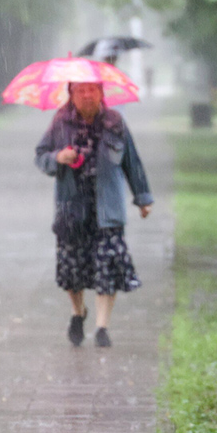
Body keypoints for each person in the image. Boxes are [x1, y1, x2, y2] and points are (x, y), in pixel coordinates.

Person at [34, 82, 152, 347]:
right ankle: (78, 313)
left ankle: (102, 327)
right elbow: (40, 156)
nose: (87, 95)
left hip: (107, 208)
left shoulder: (115, 121)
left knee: (107, 265)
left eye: (92, 90)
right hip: (72, 208)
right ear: (71, 94)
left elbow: (132, 161)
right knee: (72, 269)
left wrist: (143, 198)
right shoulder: (60, 121)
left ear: (101, 92)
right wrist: (57, 157)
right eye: (80, 91)